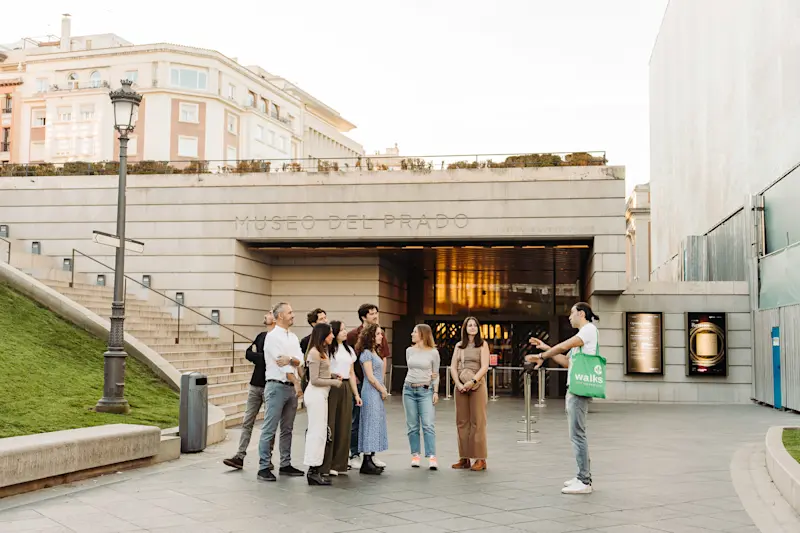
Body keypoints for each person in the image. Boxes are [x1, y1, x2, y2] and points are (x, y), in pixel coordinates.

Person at [526, 302, 599, 495]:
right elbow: (566, 361)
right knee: (576, 434)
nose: (569, 317)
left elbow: (564, 346)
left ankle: (584, 480)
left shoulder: (588, 330)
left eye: (572, 313)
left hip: (578, 391)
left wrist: (542, 354)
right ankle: (582, 476)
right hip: (574, 388)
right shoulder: (584, 336)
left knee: (578, 434)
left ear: (581, 314)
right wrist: (547, 350)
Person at [257, 302, 305, 482]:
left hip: (290, 387)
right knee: (269, 428)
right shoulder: (272, 337)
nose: (293, 315)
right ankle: (263, 466)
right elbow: (279, 362)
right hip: (277, 386)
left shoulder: (292, 337)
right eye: (290, 312)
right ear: (280, 316)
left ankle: (286, 464)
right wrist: (297, 383)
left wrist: (291, 359)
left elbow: (299, 360)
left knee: (288, 428)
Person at [223, 312, 276, 470]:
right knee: (247, 422)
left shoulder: (278, 338)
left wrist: (259, 356)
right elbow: (248, 353)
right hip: (255, 384)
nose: (265, 315)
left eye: (269, 313)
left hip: (270, 385)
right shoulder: (261, 335)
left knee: (269, 425)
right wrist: (264, 357)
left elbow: (272, 358)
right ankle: (240, 455)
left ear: (276, 317)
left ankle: (267, 458)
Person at [346, 303, 390, 468]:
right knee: (358, 420)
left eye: (376, 313)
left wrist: (382, 383)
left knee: (373, 421)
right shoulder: (353, 336)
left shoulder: (376, 346)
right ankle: (356, 453)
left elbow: (384, 358)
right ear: (364, 316)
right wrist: (354, 378)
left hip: (373, 385)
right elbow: (350, 359)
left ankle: (370, 454)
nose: (375, 316)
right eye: (371, 314)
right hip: (360, 383)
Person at [320, 321, 362, 477]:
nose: (345, 332)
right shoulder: (328, 350)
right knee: (331, 423)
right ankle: (326, 463)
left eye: (345, 329)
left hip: (345, 386)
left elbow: (351, 374)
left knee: (344, 423)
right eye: (342, 330)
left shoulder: (349, 350)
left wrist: (356, 394)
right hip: (332, 385)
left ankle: (339, 463)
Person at [303, 322, 343, 486]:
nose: (333, 336)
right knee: (317, 432)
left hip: (322, 394)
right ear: (323, 335)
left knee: (320, 432)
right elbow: (314, 379)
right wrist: (334, 383)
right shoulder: (314, 353)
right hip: (316, 394)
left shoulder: (321, 352)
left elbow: (321, 372)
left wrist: (332, 375)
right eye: (330, 333)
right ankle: (313, 471)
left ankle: (316, 469)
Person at [450, 316, 490, 472]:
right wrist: (459, 384)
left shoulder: (483, 345)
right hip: (460, 385)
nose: (472, 328)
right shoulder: (459, 346)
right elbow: (453, 367)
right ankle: (464, 457)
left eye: (475, 325)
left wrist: (472, 382)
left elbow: (485, 366)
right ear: (465, 328)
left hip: (477, 384)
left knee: (478, 421)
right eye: (469, 325)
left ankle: (480, 459)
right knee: (462, 422)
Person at [403, 324, 440, 470]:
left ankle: (431, 456)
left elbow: (435, 374)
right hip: (409, 389)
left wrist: (435, 391)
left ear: (422, 335)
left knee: (428, 424)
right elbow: (411, 369)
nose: (412, 334)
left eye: (414, 332)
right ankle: (415, 455)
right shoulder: (409, 351)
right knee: (412, 425)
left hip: (426, 390)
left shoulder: (433, 353)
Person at [355, 323, 389, 475]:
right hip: (370, 391)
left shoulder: (375, 352)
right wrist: (382, 389)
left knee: (376, 422)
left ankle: (371, 456)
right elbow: (369, 376)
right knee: (370, 422)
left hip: (377, 390)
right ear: (371, 336)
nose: (381, 336)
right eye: (378, 334)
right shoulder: (366, 353)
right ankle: (366, 459)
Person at [300, 308, 327, 391]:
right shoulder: (306, 341)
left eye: (325, 317)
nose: (325, 321)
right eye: (321, 319)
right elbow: (302, 363)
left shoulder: (331, 339)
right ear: (314, 324)